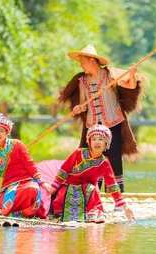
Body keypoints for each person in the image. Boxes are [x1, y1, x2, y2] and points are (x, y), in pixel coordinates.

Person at [59, 44, 147, 193]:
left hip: (113, 124)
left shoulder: (110, 76)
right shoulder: (82, 81)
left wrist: (131, 74)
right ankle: (93, 194)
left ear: (92, 60)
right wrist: (79, 108)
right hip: (93, 128)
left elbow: (131, 86)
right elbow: (83, 104)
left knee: (113, 160)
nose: (81, 66)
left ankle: (116, 197)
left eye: (83, 62)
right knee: (93, 160)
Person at [48, 124, 134, 223]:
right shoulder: (78, 153)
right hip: (68, 187)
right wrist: (53, 188)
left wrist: (125, 207)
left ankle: (87, 215)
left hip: (88, 192)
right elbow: (63, 171)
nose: (97, 142)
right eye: (94, 139)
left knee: (90, 189)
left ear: (106, 143)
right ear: (89, 141)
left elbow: (112, 185)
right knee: (65, 193)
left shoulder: (104, 162)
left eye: (101, 139)